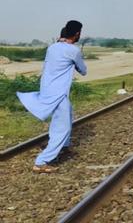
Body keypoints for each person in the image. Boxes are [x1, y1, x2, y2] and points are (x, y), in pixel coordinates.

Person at [17, 20, 87, 173]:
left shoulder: (52, 48)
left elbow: (59, 51)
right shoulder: (73, 51)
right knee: (61, 128)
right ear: (77, 34)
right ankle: (41, 162)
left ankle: (64, 147)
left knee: (67, 115)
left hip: (47, 91)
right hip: (59, 94)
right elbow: (83, 70)